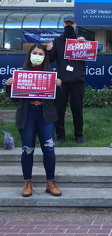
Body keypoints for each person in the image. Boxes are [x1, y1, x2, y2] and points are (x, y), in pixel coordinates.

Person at [6, 43, 62, 197]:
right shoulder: (22, 73)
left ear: (45, 56)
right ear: (29, 54)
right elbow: (13, 98)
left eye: (41, 53)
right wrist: (9, 85)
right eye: (34, 53)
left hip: (46, 116)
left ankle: (50, 182)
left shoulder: (51, 73)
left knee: (49, 150)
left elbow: (57, 100)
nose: (37, 56)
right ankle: (27, 182)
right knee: (27, 149)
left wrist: (59, 86)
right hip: (27, 114)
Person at [47, 16, 86, 144]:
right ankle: (60, 136)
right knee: (59, 110)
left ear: (75, 25)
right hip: (61, 81)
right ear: (63, 25)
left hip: (77, 80)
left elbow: (91, 55)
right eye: (67, 23)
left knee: (77, 110)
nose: (69, 25)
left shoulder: (81, 40)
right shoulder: (57, 41)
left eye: (71, 23)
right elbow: (51, 59)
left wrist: (84, 44)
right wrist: (49, 50)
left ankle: (79, 135)